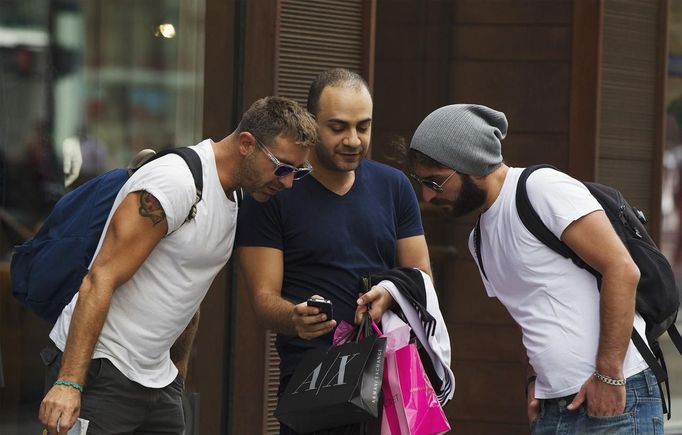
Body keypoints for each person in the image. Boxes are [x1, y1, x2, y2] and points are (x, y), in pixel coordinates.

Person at [38, 96, 318, 435]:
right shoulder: (176, 182)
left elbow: (188, 292)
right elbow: (100, 278)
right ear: (246, 144)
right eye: (282, 167)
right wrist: (69, 382)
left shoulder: (235, 196)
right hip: (101, 368)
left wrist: (176, 377)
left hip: (157, 382)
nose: (287, 182)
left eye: (298, 173)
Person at [402, 103, 663, 433]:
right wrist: (532, 383)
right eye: (422, 183)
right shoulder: (479, 239)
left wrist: (608, 375)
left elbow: (622, 270)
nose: (426, 195)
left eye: (436, 182)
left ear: (477, 166)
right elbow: (529, 315)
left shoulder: (540, 189)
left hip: (616, 395)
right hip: (553, 406)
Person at [236, 68, 433, 434]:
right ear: (312, 125)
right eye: (338, 127)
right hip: (315, 380)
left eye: (363, 126)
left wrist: (388, 295)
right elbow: (263, 301)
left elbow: (421, 279)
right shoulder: (274, 191)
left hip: (391, 375)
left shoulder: (394, 187)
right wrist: (295, 317)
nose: (354, 140)